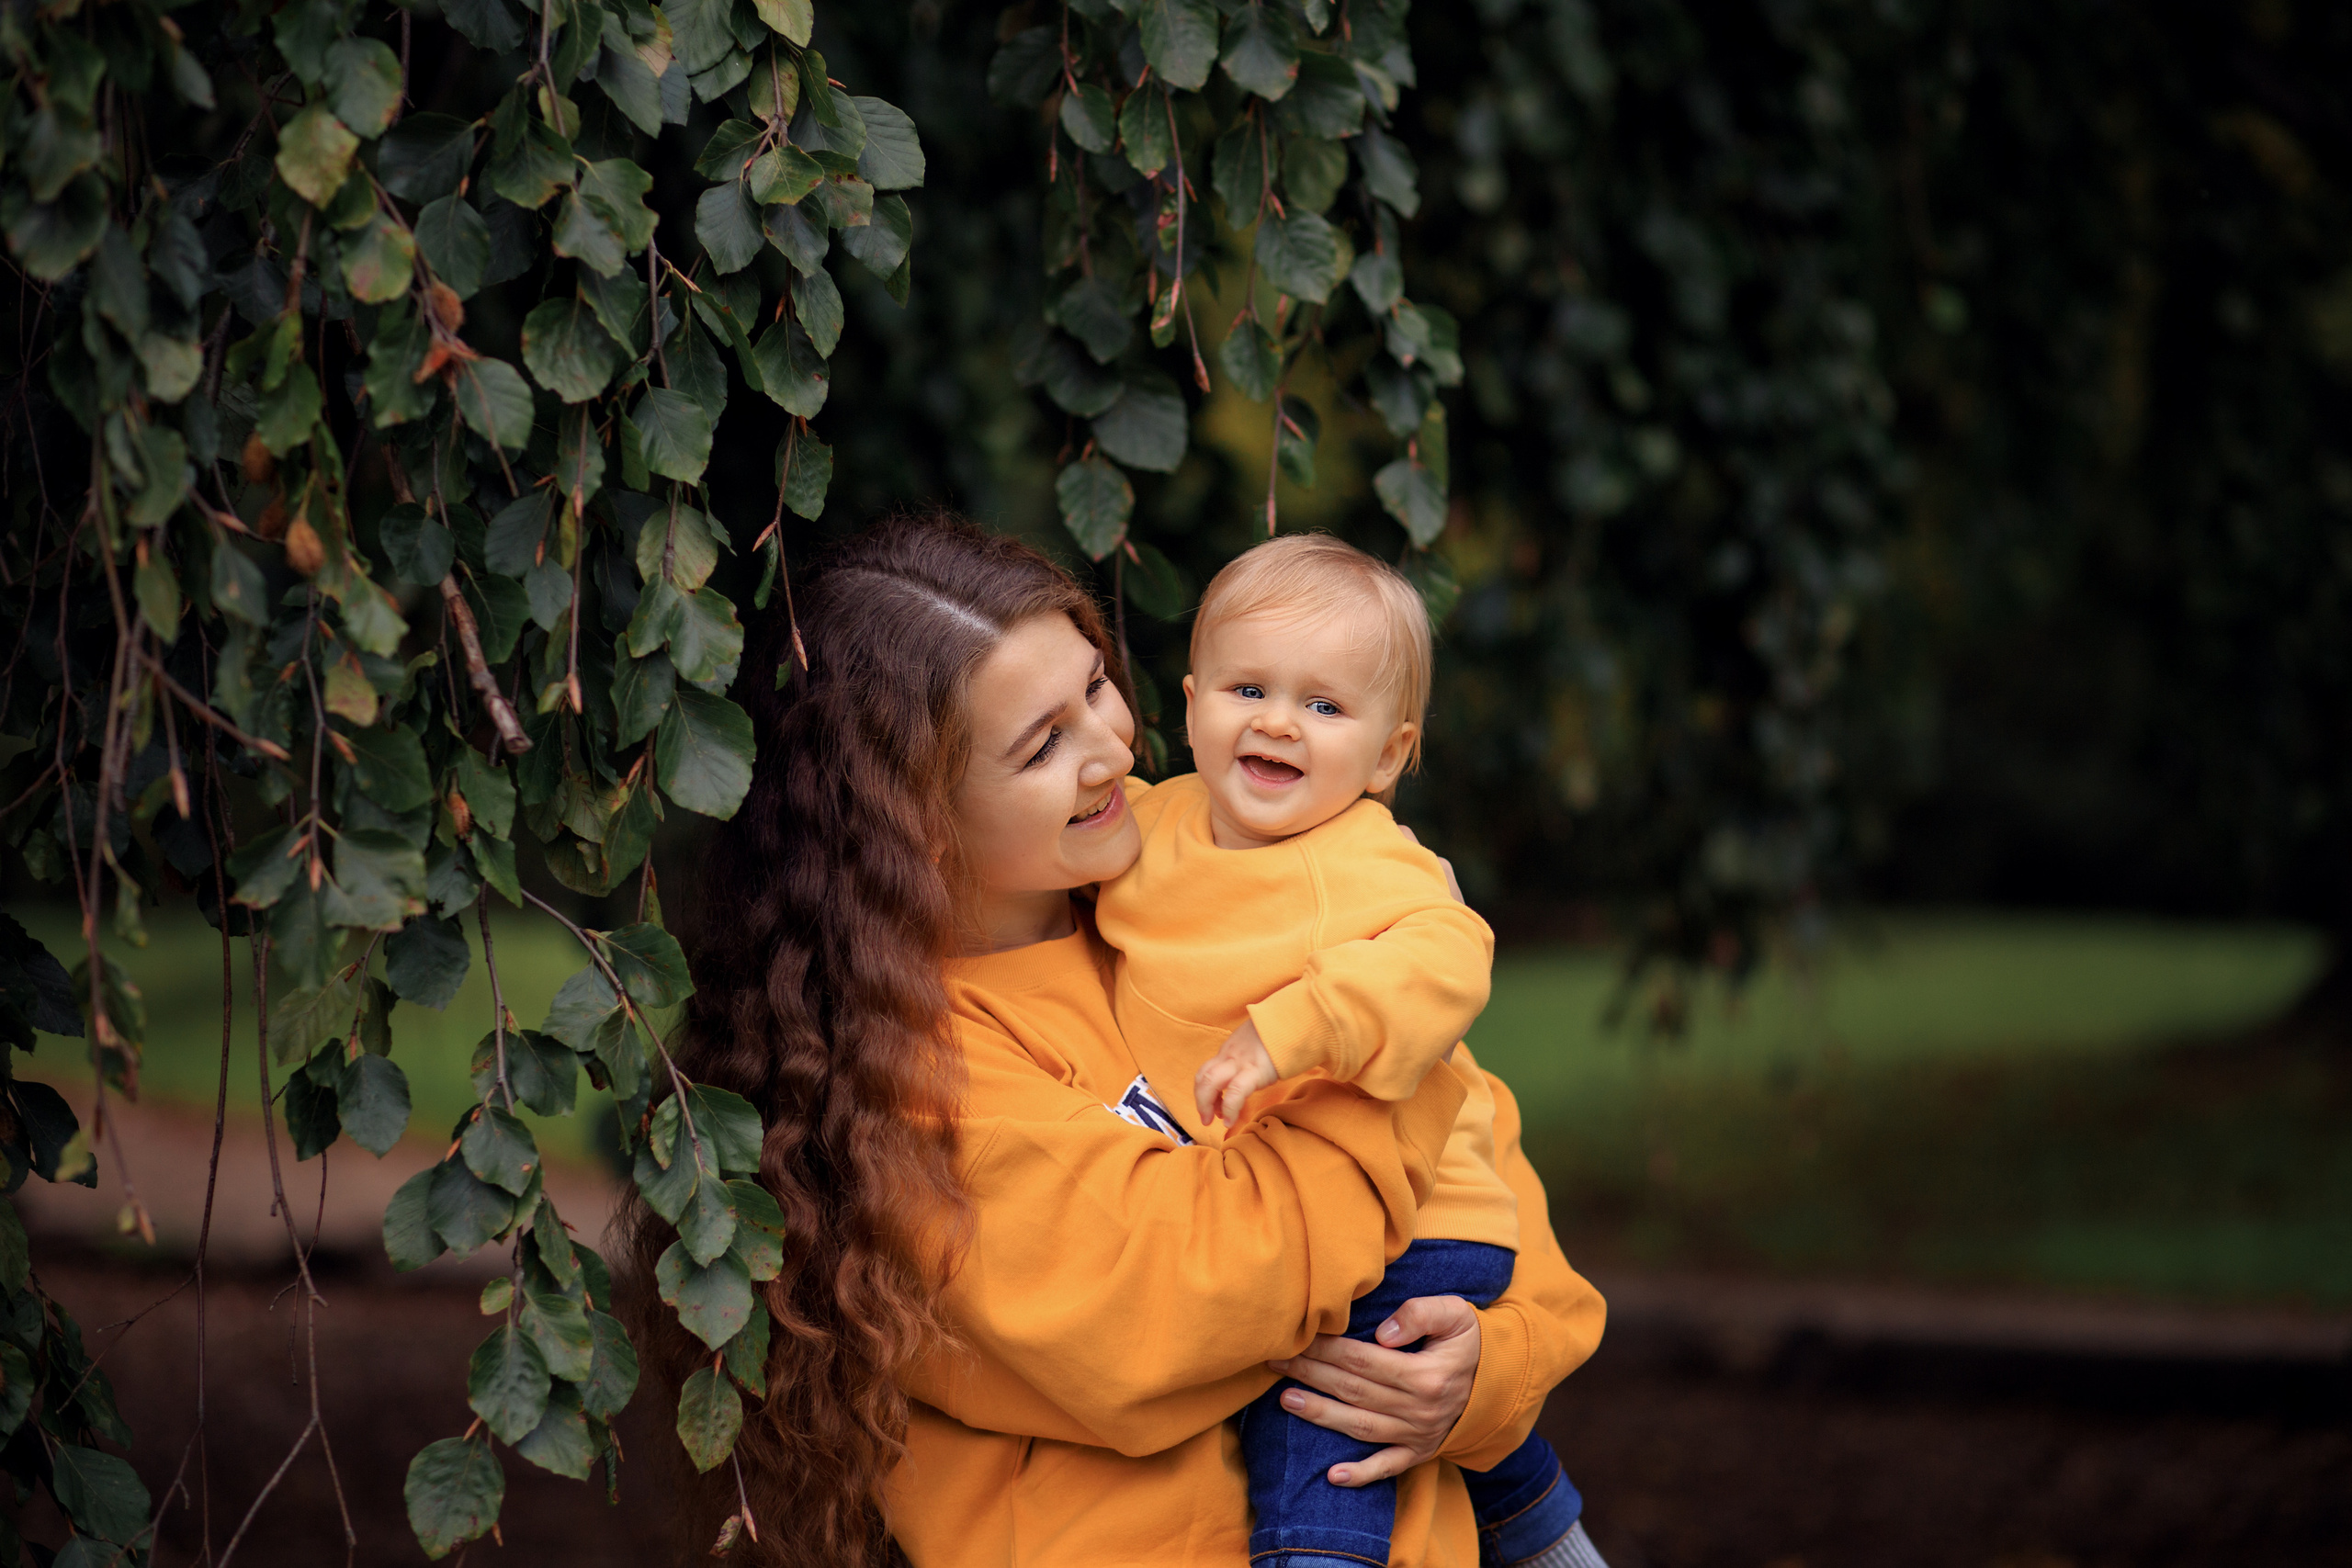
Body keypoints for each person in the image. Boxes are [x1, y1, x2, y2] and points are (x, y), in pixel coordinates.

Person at [639, 514, 1606, 1568]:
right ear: (913, 817)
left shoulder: (1199, 879)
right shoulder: (898, 1079)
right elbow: (1196, 1300)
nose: (1112, 750)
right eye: (1042, 744)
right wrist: (1415, 1002)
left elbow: (1491, 1173)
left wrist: (1484, 1372)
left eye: (1096, 688)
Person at [1093, 534, 1602, 1568]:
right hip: (1310, 1212)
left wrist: (1288, 1029)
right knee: (1455, 1437)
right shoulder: (1148, 827)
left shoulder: (1368, 860)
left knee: (1318, 1442)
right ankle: (1549, 1533)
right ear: (1189, 705)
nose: (1279, 721)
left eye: (1325, 707)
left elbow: (1448, 957)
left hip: (1413, 1225)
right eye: (1248, 687)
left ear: (1387, 756)